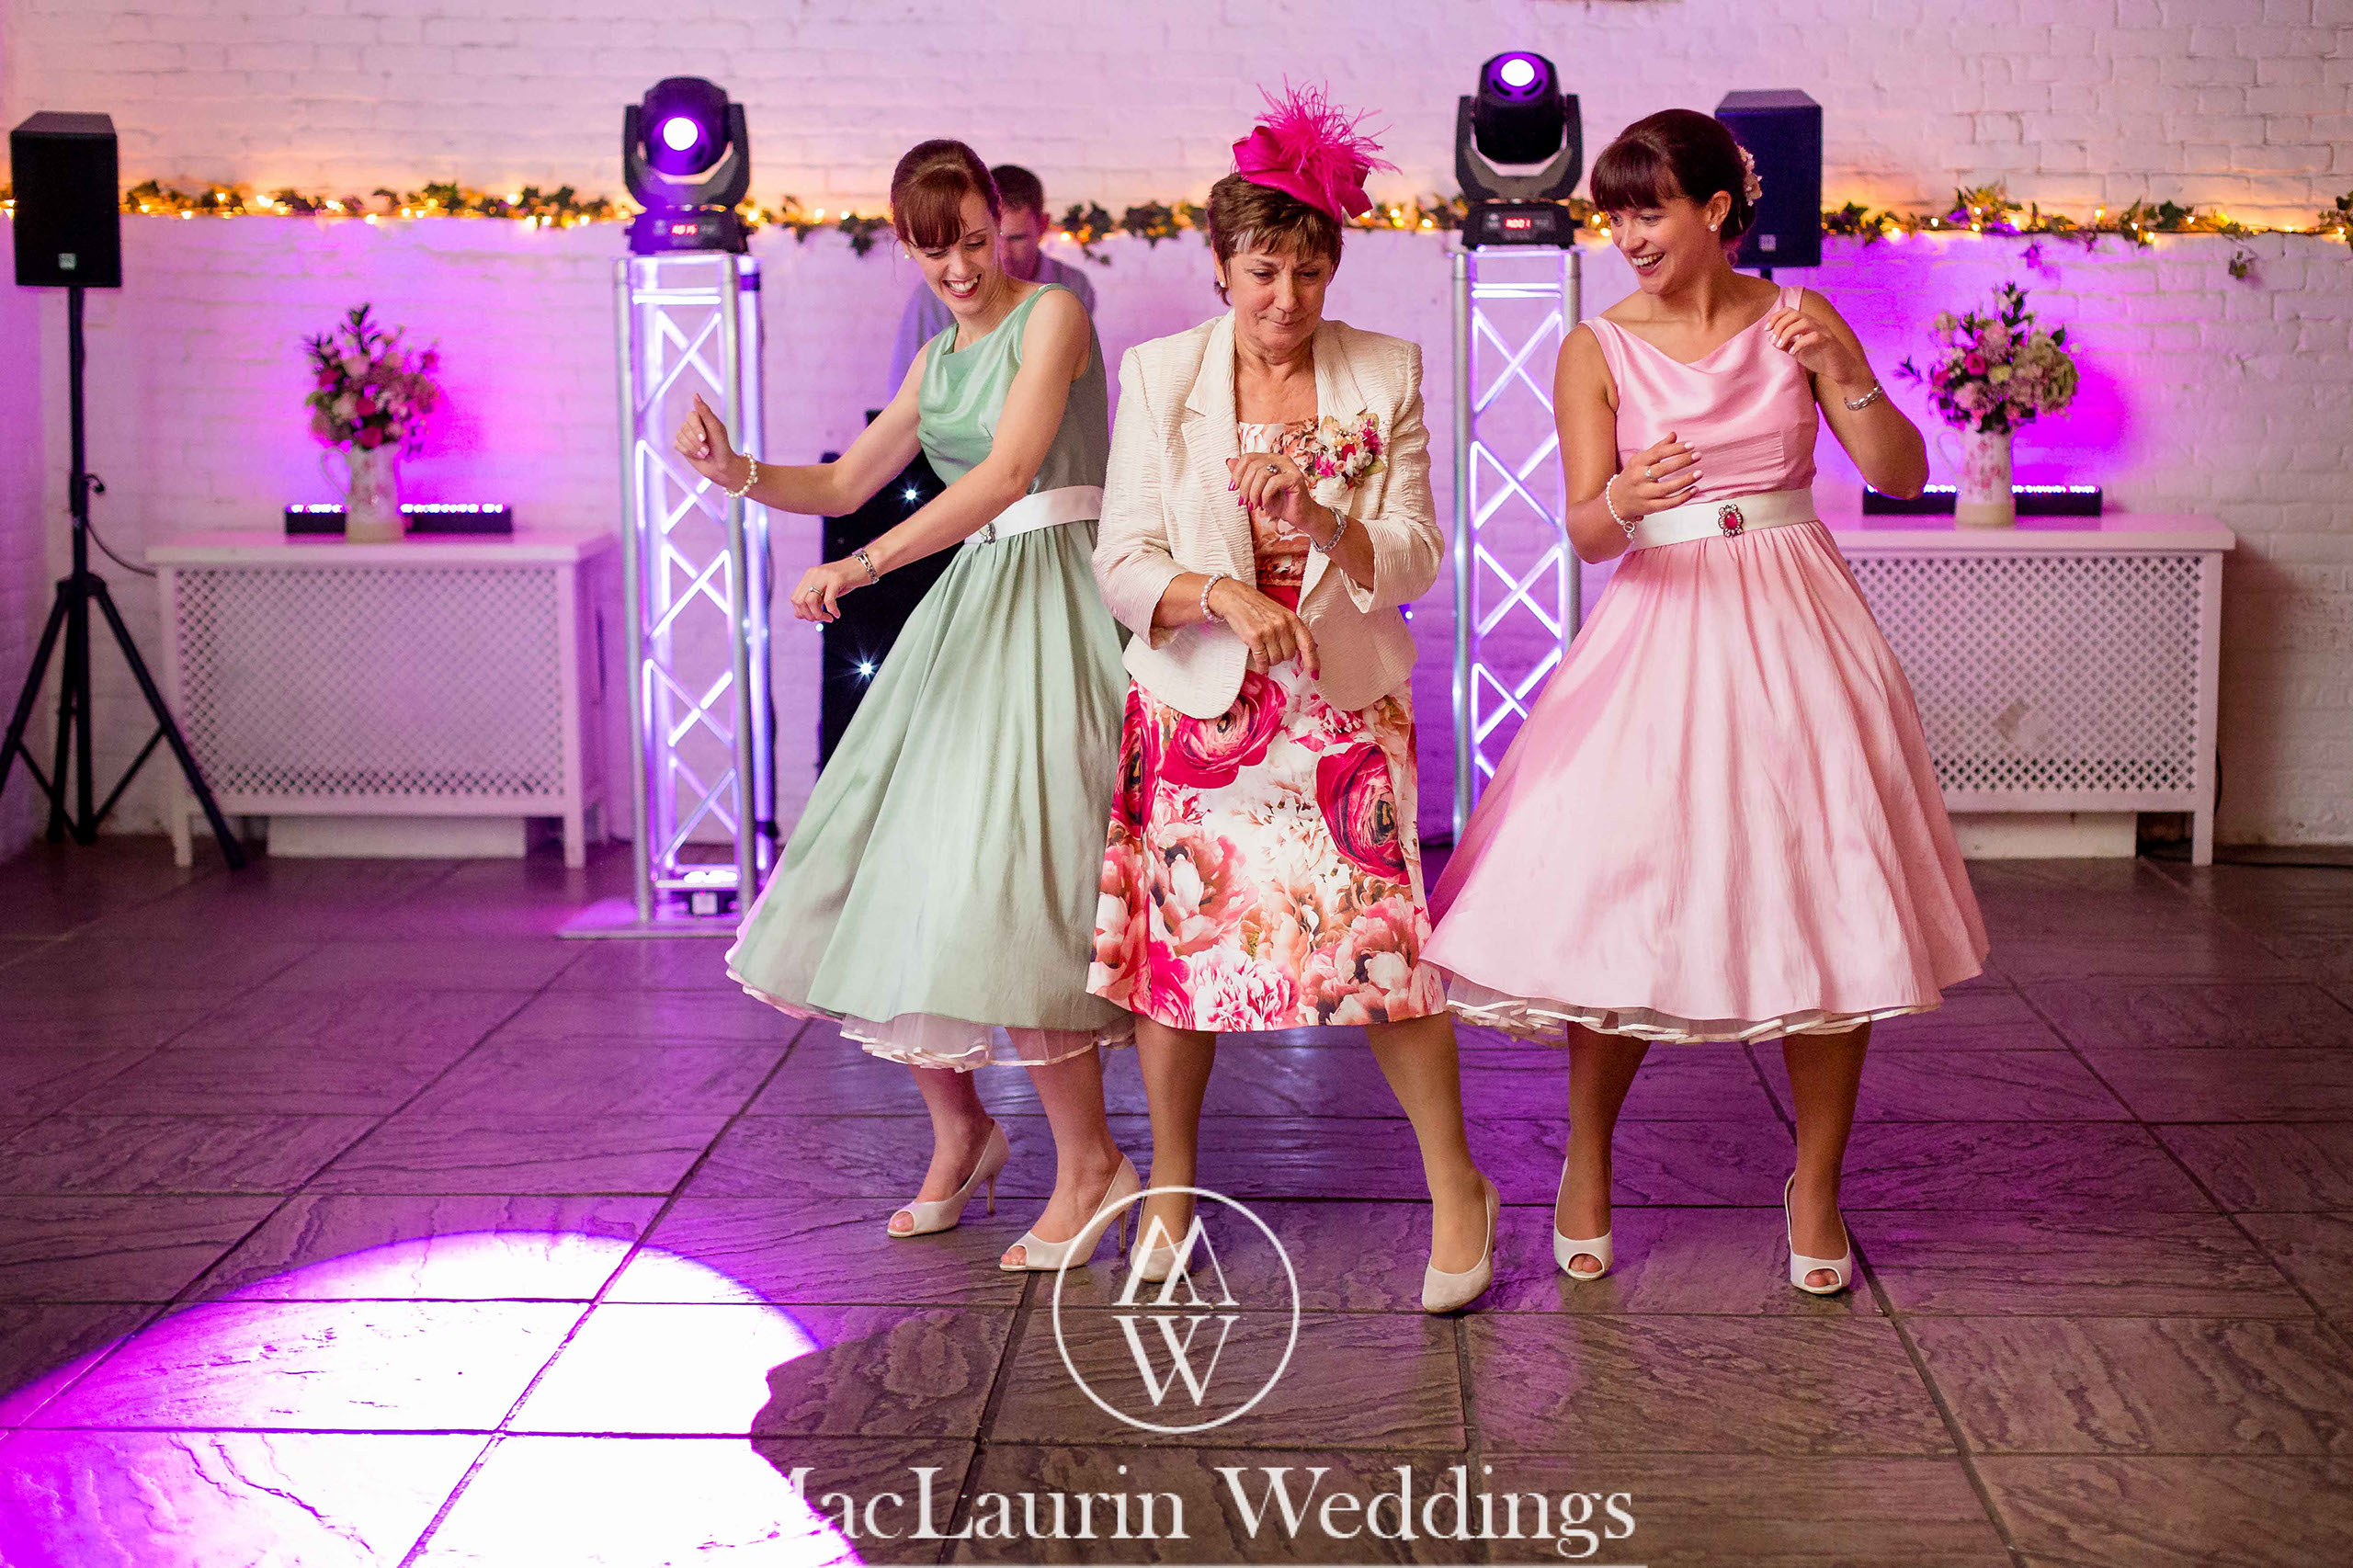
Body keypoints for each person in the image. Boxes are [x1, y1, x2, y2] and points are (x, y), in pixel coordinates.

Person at [1425, 109, 1989, 1296]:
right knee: (1623, 890)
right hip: (1663, 618)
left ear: (1718, 209)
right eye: (1615, 212)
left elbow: (1898, 475)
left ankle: (1818, 1184)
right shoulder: (1596, 347)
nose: (1627, 233)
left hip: (1797, 616)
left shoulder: (1797, 320)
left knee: (1831, 892)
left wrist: (1844, 370)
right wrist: (1624, 492)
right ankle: (1588, 1158)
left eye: (1651, 208)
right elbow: (1582, 534)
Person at [679, 141, 1140, 1274]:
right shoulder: (937, 363)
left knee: (1018, 883)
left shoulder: (1055, 320)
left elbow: (1010, 470)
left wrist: (865, 564)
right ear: (909, 247)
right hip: (974, 604)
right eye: (936, 252)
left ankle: (1091, 1163)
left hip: (1061, 599)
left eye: (976, 242)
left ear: (1003, 223)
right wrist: (735, 470)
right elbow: (842, 482)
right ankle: (963, 1131)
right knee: (901, 869)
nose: (963, 269)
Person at [1088, 86, 1497, 1314]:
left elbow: (1421, 551)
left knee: (1384, 953)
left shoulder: (1386, 370)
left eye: (1309, 273)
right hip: (1203, 704)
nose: (1286, 299)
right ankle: (1170, 1190)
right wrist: (1220, 592)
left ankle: (1457, 1187)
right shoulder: (1160, 376)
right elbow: (1120, 560)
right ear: (1220, 266)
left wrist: (1324, 521)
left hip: (1341, 707)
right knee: (1179, 956)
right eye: (1263, 270)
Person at [887, 164, 1097, 390]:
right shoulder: (935, 295)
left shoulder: (1073, 287)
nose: (1004, 255)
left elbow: (1068, 381)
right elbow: (903, 389)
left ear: (1043, 225)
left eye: (1017, 238)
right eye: (993, 239)